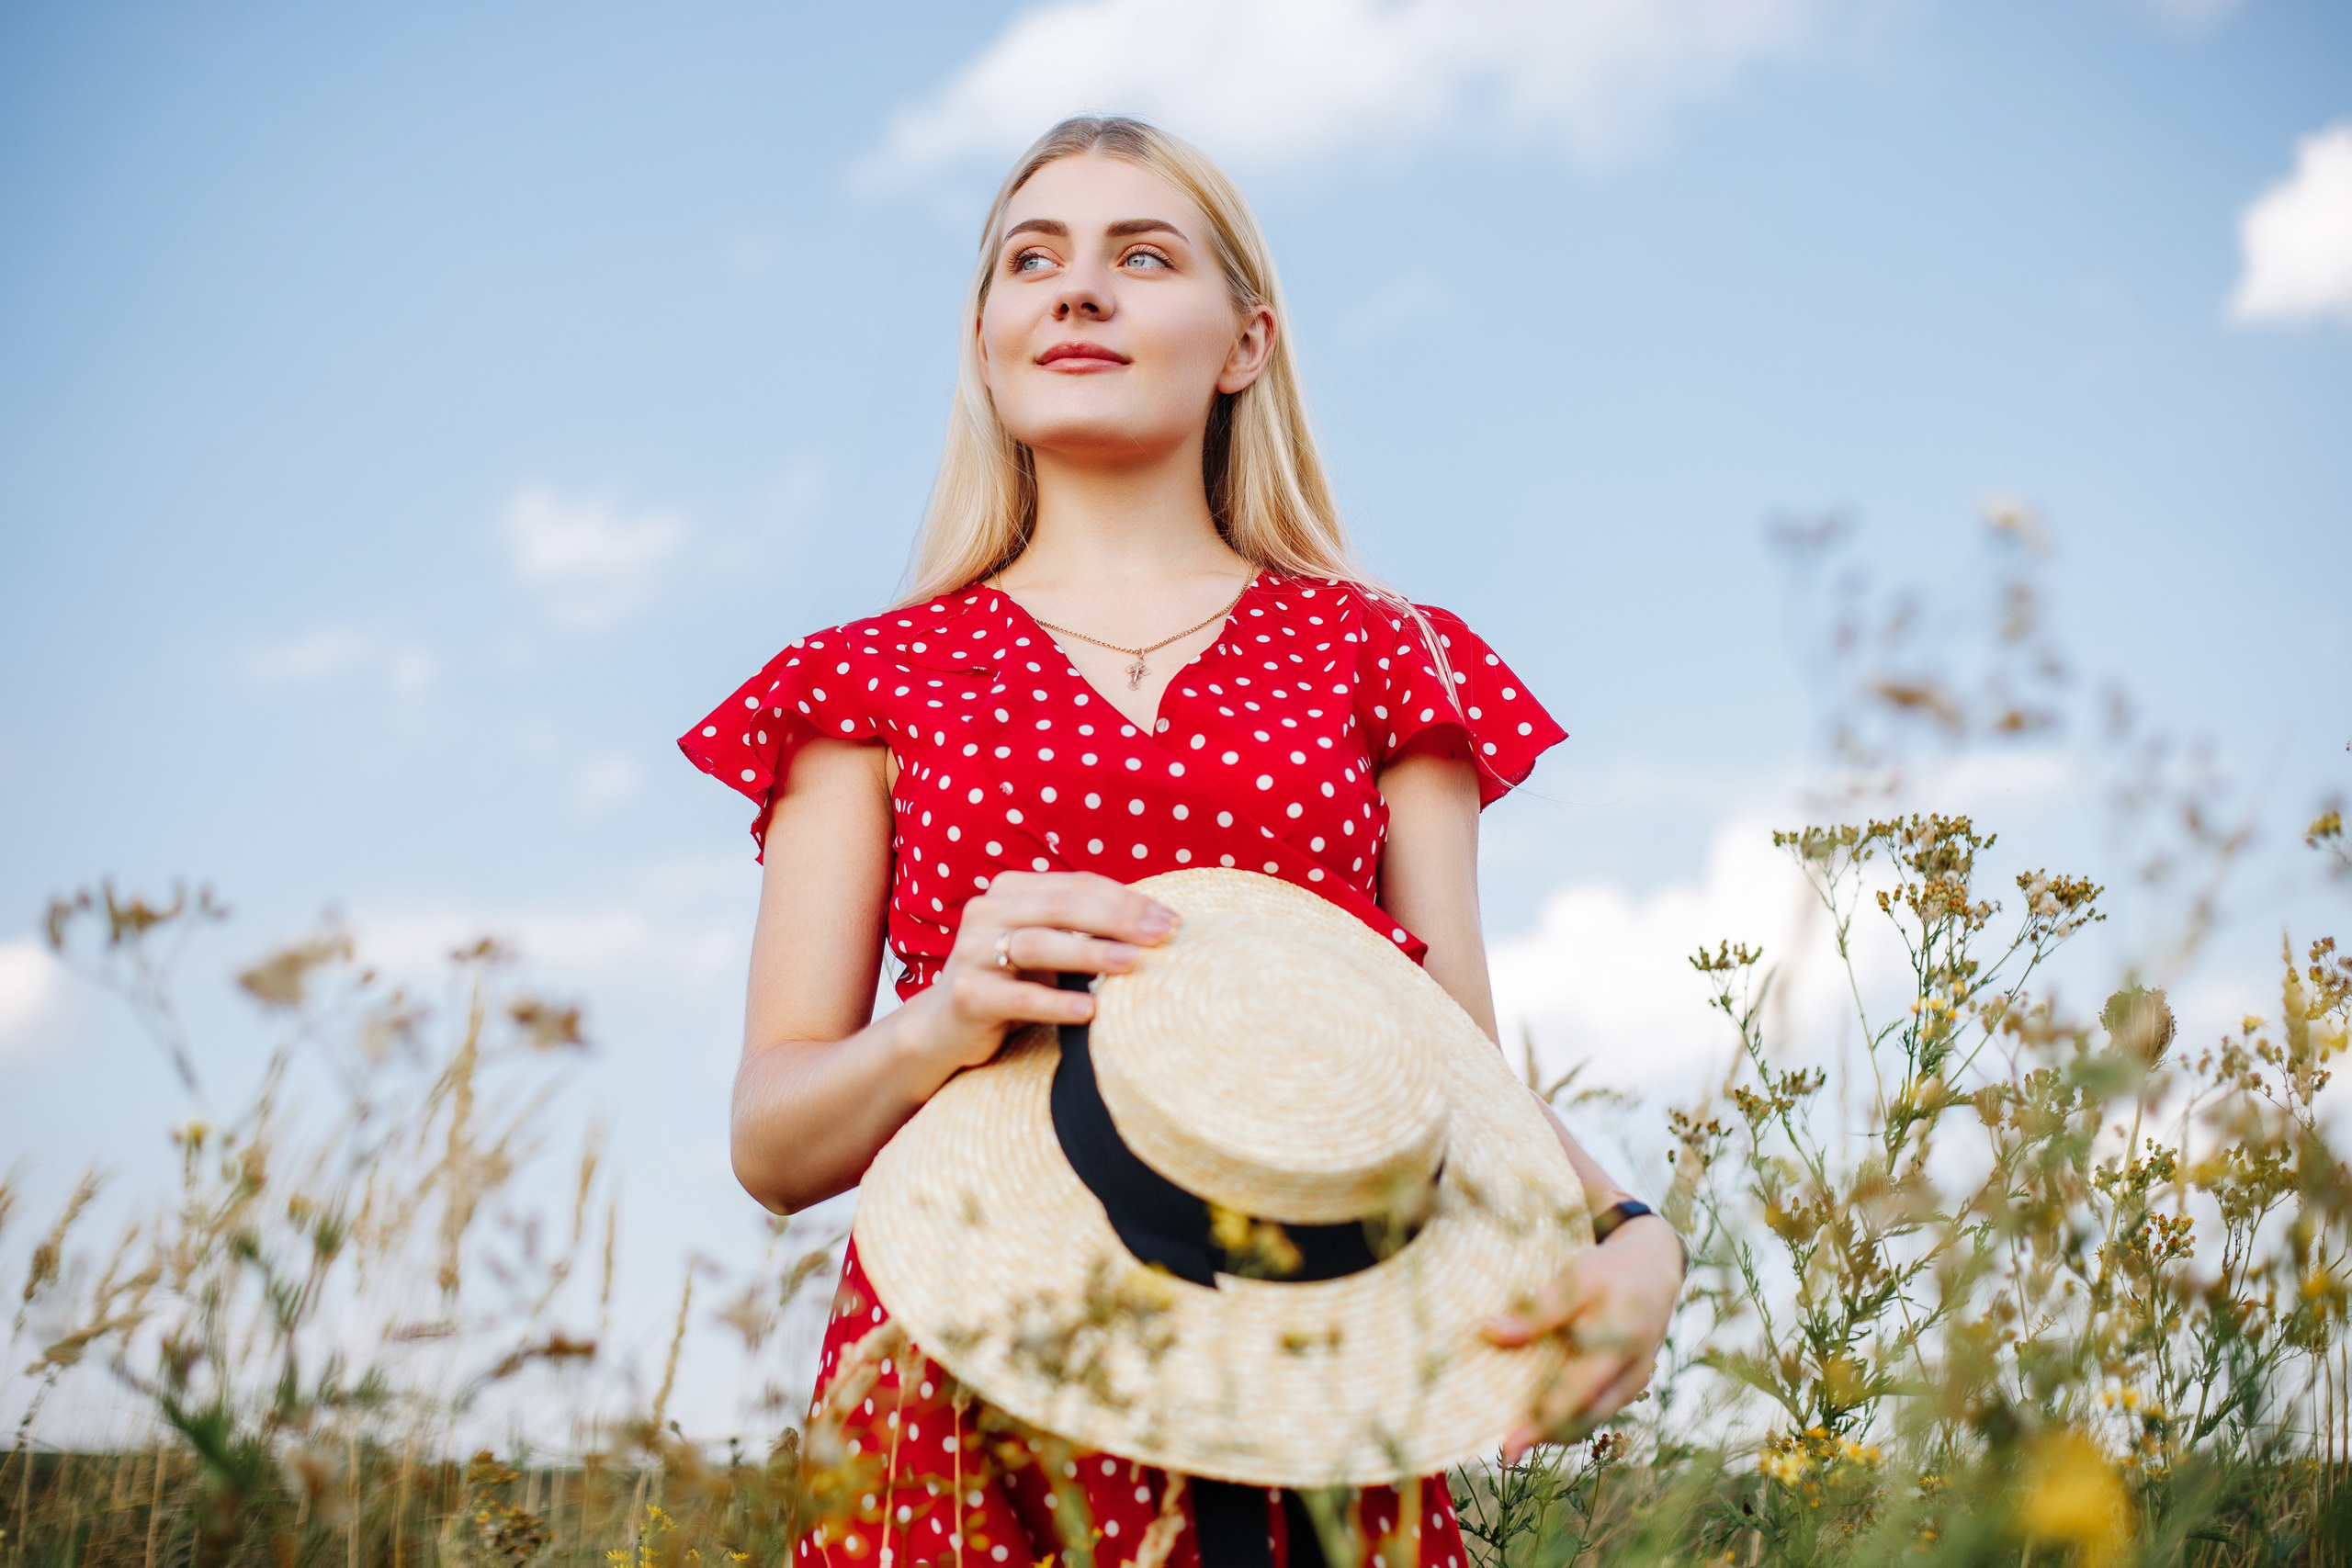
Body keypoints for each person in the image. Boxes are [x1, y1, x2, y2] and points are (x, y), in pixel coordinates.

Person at [681, 115, 1684, 1568]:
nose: (1077, 290)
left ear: (1246, 343)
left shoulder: (1388, 658)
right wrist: (940, 1028)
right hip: (957, 1389)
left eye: (1140, 256)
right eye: (1032, 260)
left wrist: (1633, 1235)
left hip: (1312, 1383)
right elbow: (771, 1143)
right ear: (985, 340)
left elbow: (1456, 1067)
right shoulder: (863, 681)